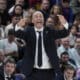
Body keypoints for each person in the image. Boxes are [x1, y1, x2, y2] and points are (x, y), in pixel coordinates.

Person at [15, 11, 69, 80]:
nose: (39, 18)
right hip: (32, 71)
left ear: (44, 20)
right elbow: (17, 34)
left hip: (49, 71)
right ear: (32, 20)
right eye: (36, 17)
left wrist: (64, 23)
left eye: (41, 16)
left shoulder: (49, 31)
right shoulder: (28, 31)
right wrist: (18, 25)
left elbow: (64, 33)